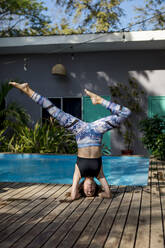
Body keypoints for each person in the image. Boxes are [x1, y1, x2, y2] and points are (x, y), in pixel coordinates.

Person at [9, 82, 131, 200]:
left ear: (81, 187)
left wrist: (76, 193)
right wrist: (101, 194)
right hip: (96, 130)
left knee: (54, 111)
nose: (90, 190)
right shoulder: (99, 174)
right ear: (96, 187)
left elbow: (73, 196)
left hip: (79, 130)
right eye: (92, 191)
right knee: (125, 112)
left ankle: (27, 90)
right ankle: (99, 100)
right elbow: (108, 194)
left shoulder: (78, 172)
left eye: (87, 191)